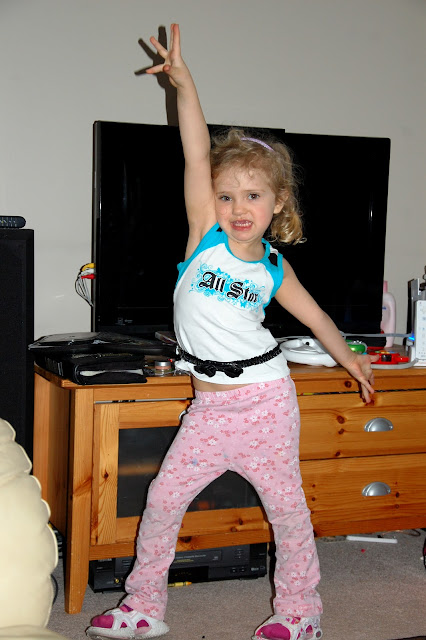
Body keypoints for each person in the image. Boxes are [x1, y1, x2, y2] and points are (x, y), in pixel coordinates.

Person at [87, 23, 378, 640]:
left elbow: (317, 318)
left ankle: (300, 614)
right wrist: (184, 83)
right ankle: (145, 607)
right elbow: (195, 152)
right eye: (225, 196)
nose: (238, 207)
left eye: (252, 195)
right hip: (208, 409)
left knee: (287, 512)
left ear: (278, 203)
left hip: (266, 401)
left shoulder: (274, 267)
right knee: (163, 500)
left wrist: (351, 358)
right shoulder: (204, 242)